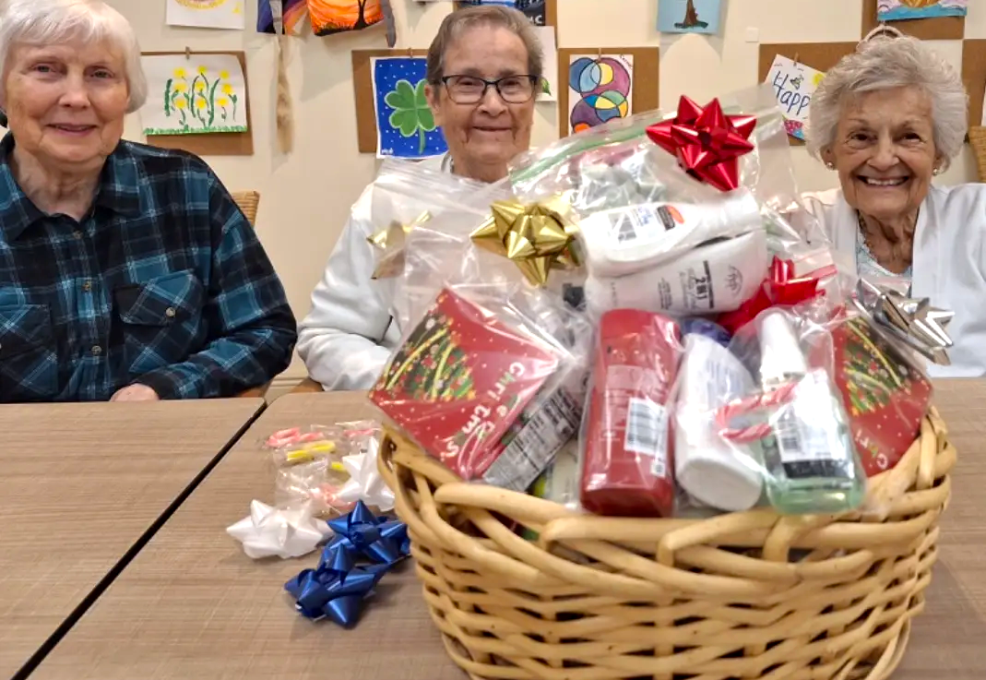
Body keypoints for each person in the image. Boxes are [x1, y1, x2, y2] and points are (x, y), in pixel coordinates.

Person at [0, 0, 296, 402]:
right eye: (45, 69)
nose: (76, 97)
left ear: (128, 95)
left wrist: (166, 388)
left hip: (170, 436)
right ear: (3, 92)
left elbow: (265, 329)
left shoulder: (185, 186)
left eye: (100, 74)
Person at [297, 5, 541, 390]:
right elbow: (330, 336)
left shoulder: (570, 199)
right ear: (434, 101)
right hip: (420, 411)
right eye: (468, 83)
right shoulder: (393, 206)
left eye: (511, 84)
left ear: (533, 96)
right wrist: (423, 383)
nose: (493, 105)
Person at [804, 27, 986, 376]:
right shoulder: (801, 227)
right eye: (861, 137)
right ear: (830, 152)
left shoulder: (978, 221)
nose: (884, 159)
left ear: (938, 153)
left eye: (909, 136)